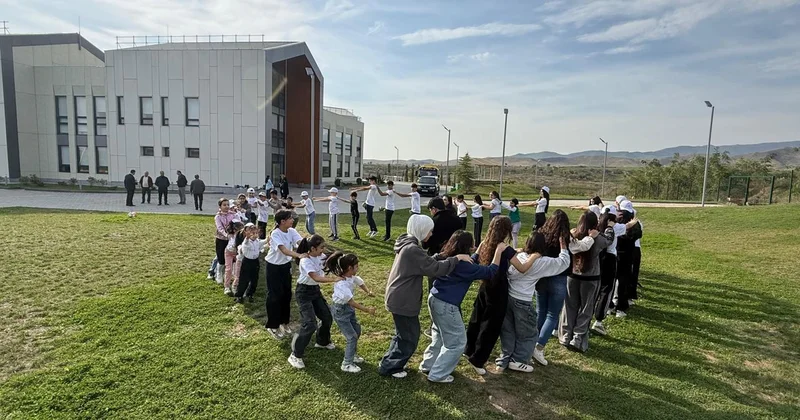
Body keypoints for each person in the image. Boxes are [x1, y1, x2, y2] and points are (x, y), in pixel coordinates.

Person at [378, 215, 470, 378]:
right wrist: (456, 259)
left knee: (403, 334)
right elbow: (434, 269)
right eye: (430, 230)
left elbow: (426, 262)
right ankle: (391, 367)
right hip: (403, 300)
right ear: (421, 229)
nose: (431, 234)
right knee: (410, 337)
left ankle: (389, 362)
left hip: (398, 297)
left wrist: (442, 256)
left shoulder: (407, 243)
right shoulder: (412, 249)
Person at [420, 231, 504, 383]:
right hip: (447, 306)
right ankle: (438, 374)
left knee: (438, 335)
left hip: (434, 299)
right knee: (457, 342)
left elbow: (471, 262)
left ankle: (428, 365)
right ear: (467, 247)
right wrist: (498, 251)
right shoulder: (464, 266)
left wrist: (480, 247)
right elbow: (490, 271)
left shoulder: (449, 258)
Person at [497, 232, 570, 373]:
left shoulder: (518, 256)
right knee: (529, 333)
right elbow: (563, 263)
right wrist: (563, 246)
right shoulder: (540, 261)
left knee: (508, 330)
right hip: (523, 301)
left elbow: (511, 272)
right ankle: (518, 360)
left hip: (508, 297)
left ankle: (504, 359)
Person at [531, 210, 595, 366]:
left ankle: (531, 343)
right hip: (558, 279)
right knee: (552, 315)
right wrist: (591, 237)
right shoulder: (565, 239)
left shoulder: (542, 234)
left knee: (541, 311)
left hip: (542, 277)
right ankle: (539, 347)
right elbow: (582, 246)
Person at [464, 216, 517, 375]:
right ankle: (478, 359)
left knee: (477, 317)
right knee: (491, 325)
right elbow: (521, 267)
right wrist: (535, 256)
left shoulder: (484, 243)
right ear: (506, 231)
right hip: (498, 289)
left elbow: (477, 259)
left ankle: (468, 348)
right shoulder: (505, 248)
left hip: (484, 286)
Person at [559, 211, 610, 353]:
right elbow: (608, 241)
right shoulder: (598, 238)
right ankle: (578, 338)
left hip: (573, 275)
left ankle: (565, 335)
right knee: (586, 309)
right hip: (591, 277)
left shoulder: (573, 236)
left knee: (569, 306)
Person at [288, 234, 337, 369]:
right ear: (313, 248)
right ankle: (295, 355)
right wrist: (334, 279)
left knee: (327, 316)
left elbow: (330, 257)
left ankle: (322, 341)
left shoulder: (319, 256)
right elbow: (316, 277)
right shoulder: (305, 261)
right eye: (321, 247)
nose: (323, 249)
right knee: (310, 324)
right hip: (303, 293)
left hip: (315, 291)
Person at [328, 252, 375, 373]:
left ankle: (352, 354)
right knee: (352, 336)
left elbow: (359, 282)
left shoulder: (350, 277)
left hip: (348, 310)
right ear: (350, 268)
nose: (358, 267)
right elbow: (352, 302)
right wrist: (367, 310)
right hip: (340, 311)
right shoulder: (341, 284)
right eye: (356, 266)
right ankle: (346, 363)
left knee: (357, 330)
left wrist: (368, 292)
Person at [264, 210, 307, 339]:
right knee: (274, 296)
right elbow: (284, 250)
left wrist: (309, 245)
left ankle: (284, 322)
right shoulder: (275, 234)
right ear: (282, 221)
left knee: (286, 295)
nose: (292, 220)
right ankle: (272, 326)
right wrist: (299, 255)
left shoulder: (292, 231)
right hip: (273, 267)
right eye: (290, 218)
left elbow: (300, 243)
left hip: (285, 267)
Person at [591, 205, 623, 336]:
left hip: (597, 259)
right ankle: (598, 321)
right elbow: (628, 227)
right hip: (609, 259)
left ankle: (587, 317)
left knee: (595, 288)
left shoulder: (596, 226)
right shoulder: (615, 227)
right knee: (606, 289)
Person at [423, 197, 463, 292]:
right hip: (454, 256)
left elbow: (426, 243)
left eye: (430, 210)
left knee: (434, 286)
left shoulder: (433, 222)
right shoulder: (457, 219)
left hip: (437, 256)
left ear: (434, 209)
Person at [612, 200, 642, 319]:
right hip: (627, 255)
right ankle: (621, 307)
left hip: (614, 253)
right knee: (623, 281)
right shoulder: (635, 224)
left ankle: (610, 305)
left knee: (612, 281)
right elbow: (638, 235)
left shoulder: (615, 221)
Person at [235, 223, 266, 303]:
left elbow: (262, 242)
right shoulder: (246, 242)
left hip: (255, 261)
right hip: (247, 262)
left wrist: (268, 239)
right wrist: (247, 237)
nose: (255, 235)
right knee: (244, 279)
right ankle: (240, 295)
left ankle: (250, 294)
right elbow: (245, 243)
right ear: (248, 234)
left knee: (254, 279)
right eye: (252, 233)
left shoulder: (257, 241)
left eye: (256, 233)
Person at [214, 198, 239, 286]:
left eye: (228, 205)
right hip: (221, 239)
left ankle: (228, 275)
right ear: (220, 206)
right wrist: (226, 234)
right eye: (224, 205)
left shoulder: (233, 215)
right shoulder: (218, 216)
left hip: (232, 240)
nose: (226, 206)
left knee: (231, 258)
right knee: (221, 258)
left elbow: (237, 224)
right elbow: (219, 228)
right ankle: (219, 274)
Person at [224, 220, 246, 296]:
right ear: (235, 230)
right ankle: (226, 287)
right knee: (228, 269)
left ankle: (235, 285)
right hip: (228, 253)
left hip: (237, 254)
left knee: (238, 271)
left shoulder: (243, 237)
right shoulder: (231, 235)